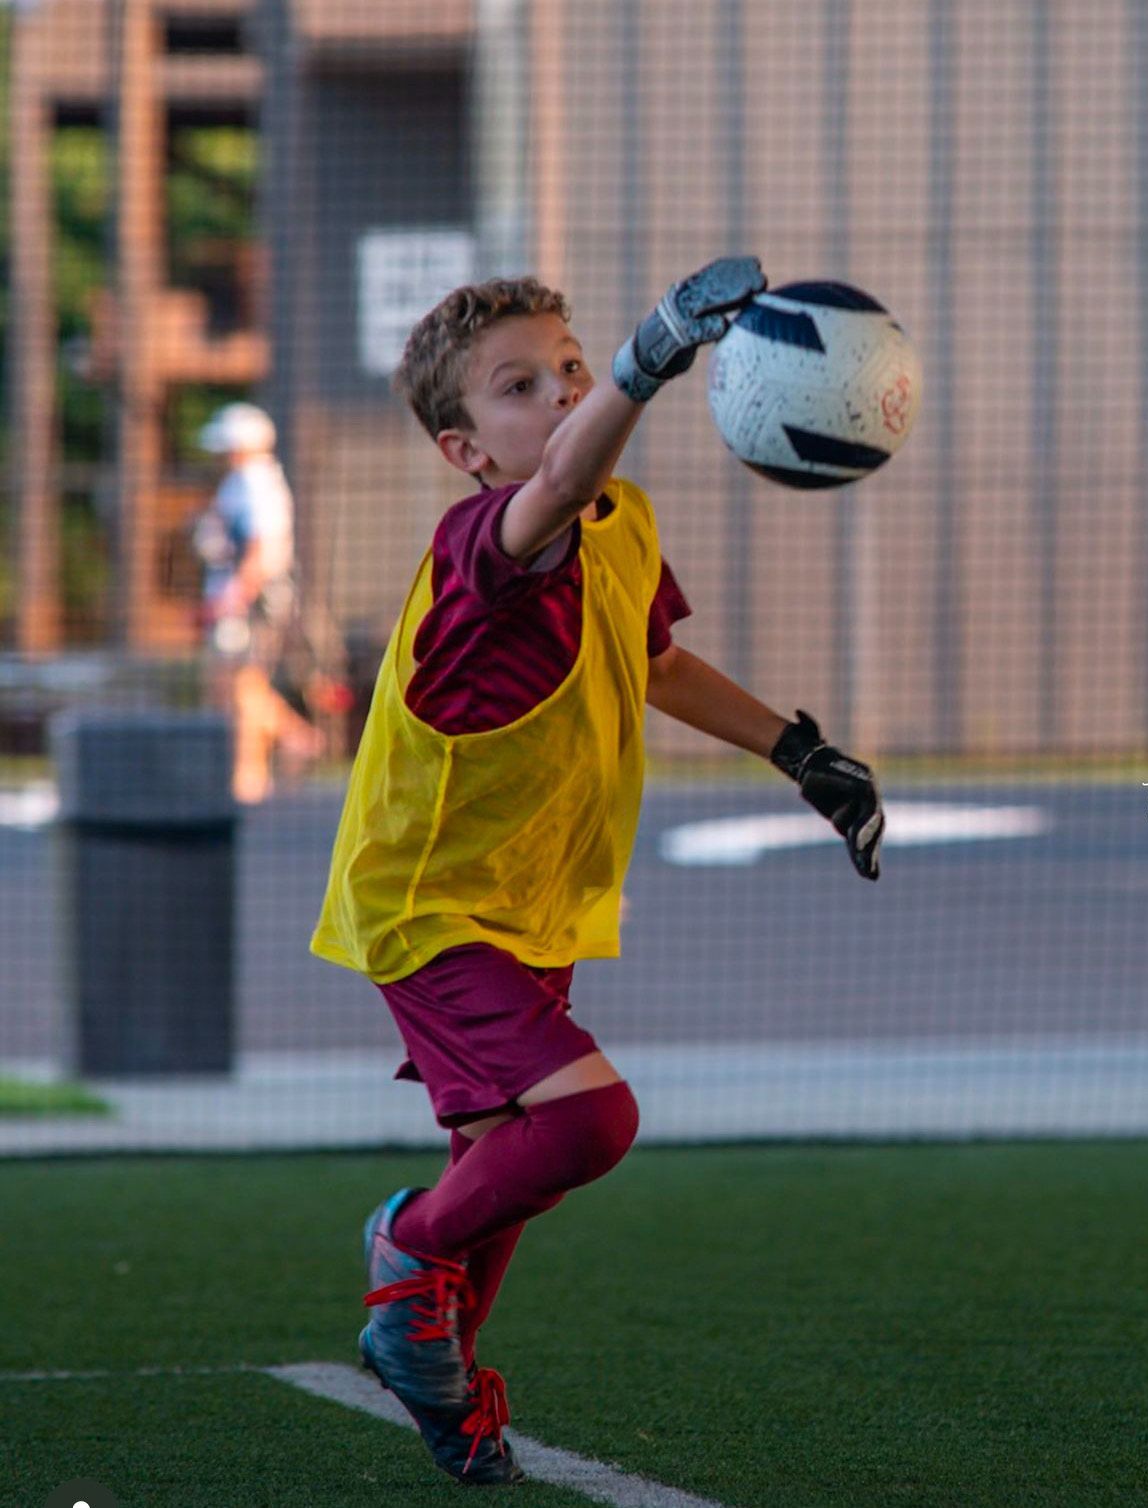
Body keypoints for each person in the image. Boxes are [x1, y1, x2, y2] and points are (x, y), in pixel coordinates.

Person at [310, 263, 885, 1486]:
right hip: (430, 905)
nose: (564, 392)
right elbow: (562, 476)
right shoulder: (488, 542)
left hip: (527, 907)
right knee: (588, 1120)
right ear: (467, 451)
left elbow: (659, 664)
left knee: (504, 1169)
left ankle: (437, 1364)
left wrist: (799, 751)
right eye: (523, 386)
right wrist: (657, 347)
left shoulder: (617, 525)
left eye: (569, 366)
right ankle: (405, 1249)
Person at [193, 402, 325, 804]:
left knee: (240, 686)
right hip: (241, 601)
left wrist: (234, 597)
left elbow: (261, 550)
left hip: (252, 604)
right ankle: (297, 738)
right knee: (233, 685)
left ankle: (248, 777)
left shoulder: (255, 483)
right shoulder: (242, 482)